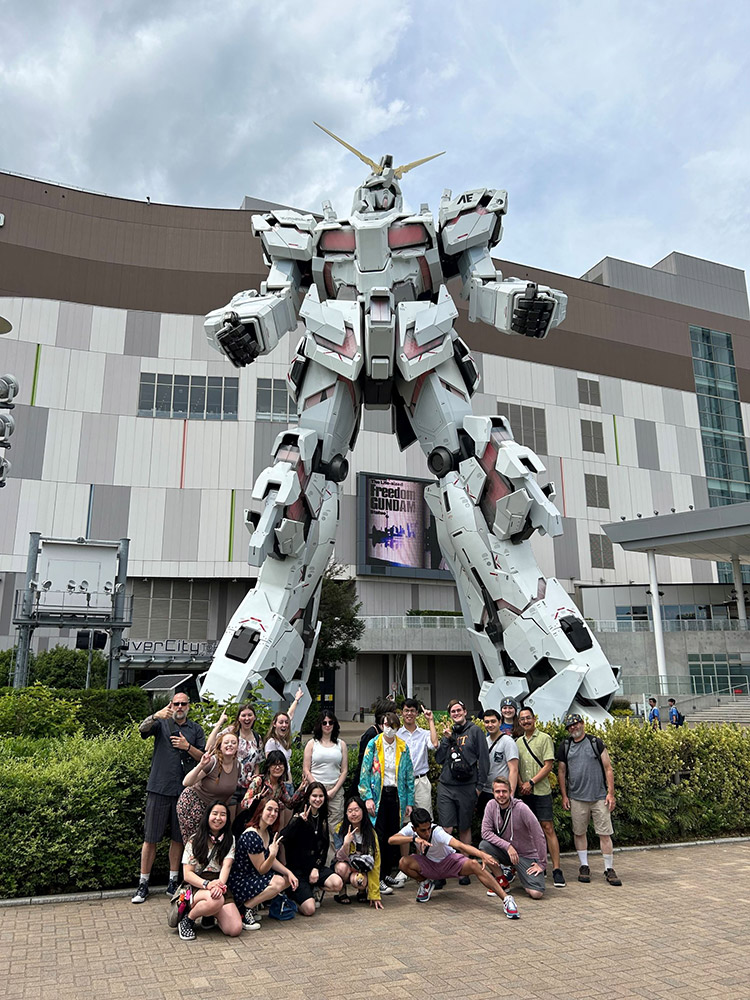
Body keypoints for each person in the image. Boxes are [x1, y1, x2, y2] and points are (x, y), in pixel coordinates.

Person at [132, 693, 206, 904]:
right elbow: (142, 729)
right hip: (159, 788)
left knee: (178, 838)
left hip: (184, 791)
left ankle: (173, 880)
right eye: (176, 703)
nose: (180, 707)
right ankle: (143, 883)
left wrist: (187, 747)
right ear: (171, 705)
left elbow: (204, 758)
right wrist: (155, 715)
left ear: (189, 706)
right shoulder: (161, 723)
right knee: (150, 838)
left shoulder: (196, 729)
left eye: (184, 703)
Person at [389, 807, 519, 918]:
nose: (427, 832)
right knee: (403, 862)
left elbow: (461, 846)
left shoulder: (438, 832)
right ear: (414, 828)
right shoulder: (410, 830)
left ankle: (507, 899)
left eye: (428, 828)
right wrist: (414, 839)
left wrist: (482, 854)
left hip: (449, 863)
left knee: (474, 865)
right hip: (429, 865)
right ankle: (425, 883)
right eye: (423, 830)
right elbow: (391, 840)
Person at [556, 713, 622, 886]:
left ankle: (609, 868)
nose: (573, 728)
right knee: (579, 832)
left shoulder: (595, 743)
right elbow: (561, 772)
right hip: (576, 797)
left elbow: (608, 768)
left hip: (599, 796)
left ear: (582, 724)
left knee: (605, 833)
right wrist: (564, 795)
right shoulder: (565, 746)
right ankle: (584, 865)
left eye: (576, 724)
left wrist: (611, 793)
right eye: (570, 726)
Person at [434, 699, 489, 885]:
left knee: (465, 828)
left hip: (467, 787)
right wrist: (446, 740)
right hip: (446, 786)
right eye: (452, 711)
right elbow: (439, 759)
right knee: (446, 829)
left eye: (459, 710)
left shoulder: (475, 731)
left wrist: (479, 787)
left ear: (465, 711)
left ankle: (464, 869)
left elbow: (484, 759)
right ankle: (441, 869)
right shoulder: (449, 733)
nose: (456, 714)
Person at [359, 710, 414, 892]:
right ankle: (378, 877)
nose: (389, 729)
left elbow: (408, 777)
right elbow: (365, 773)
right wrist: (367, 798)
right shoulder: (373, 745)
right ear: (382, 725)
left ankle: (387, 874)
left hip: (397, 796)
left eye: (393, 726)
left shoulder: (403, 747)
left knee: (393, 836)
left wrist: (409, 802)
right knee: (379, 837)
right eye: (386, 725)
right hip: (378, 796)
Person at [176, 800, 242, 941]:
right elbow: (187, 874)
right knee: (215, 901)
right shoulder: (194, 840)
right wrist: (207, 884)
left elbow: (226, 866)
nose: (218, 818)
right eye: (215, 814)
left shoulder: (230, 840)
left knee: (234, 929)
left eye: (223, 814)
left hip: (218, 882)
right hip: (197, 885)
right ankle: (188, 920)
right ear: (207, 816)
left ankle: (210, 914)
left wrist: (219, 885)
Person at [228, 797, 298, 930]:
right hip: (240, 881)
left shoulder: (267, 832)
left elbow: (270, 861)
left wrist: (289, 872)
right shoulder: (252, 835)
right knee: (278, 882)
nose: (273, 814)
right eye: (269, 809)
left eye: (276, 811)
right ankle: (246, 908)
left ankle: (251, 906)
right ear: (260, 811)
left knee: (288, 879)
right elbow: (262, 869)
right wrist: (272, 854)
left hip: (252, 877)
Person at [516, 706, 565, 888]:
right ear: (519, 722)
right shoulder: (518, 742)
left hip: (541, 791)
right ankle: (537, 864)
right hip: (525, 792)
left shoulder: (545, 738)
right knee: (529, 831)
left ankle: (557, 869)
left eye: (528, 718)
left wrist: (531, 783)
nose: (526, 721)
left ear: (534, 718)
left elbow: (548, 765)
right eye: (522, 719)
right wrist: (522, 784)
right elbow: (516, 766)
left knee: (548, 828)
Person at [479, 776, 547, 902]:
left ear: (510, 791)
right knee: (484, 846)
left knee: (536, 893)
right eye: (497, 792)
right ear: (493, 792)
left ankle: (517, 870)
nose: (501, 795)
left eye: (504, 791)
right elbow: (485, 832)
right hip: (507, 852)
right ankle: (502, 880)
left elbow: (539, 834)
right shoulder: (491, 805)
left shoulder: (521, 808)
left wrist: (542, 863)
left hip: (525, 854)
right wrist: (508, 846)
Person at [280, 782, 344, 915]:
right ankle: (292, 894)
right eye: (314, 796)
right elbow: (283, 837)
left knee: (337, 883)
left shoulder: (322, 816)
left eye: (321, 796)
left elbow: (324, 847)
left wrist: (316, 867)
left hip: (314, 867)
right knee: (309, 910)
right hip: (297, 870)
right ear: (308, 797)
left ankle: (313, 887)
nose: (318, 799)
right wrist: (298, 821)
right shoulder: (300, 814)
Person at [177, 732, 240, 843]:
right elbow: (186, 782)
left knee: (214, 842)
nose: (230, 745)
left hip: (213, 810)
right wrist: (201, 764)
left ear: (237, 747)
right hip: (194, 802)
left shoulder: (238, 765)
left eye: (233, 743)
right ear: (220, 746)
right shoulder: (213, 762)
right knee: (197, 843)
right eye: (226, 742)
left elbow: (228, 794)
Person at [302, 711, 348, 858]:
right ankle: (314, 860)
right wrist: (317, 789)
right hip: (315, 790)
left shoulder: (341, 744)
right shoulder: (312, 743)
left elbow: (344, 771)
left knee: (334, 828)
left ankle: (332, 861)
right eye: (324, 723)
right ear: (319, 725)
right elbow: (306, 769)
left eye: (330, 722)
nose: (327, 725)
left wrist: (334, 790)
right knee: (314, 826)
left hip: (335, 790)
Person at [333, 795, 383, 908]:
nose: (353, 814)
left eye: (356, 810)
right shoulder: (339, 829)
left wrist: (375, 895)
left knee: (360, 881)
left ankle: (362, 892)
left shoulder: (370, 833)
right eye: (350, 811)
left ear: (363, 811)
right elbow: (338, 857)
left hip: (361, 868)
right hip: (346, 865)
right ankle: (342, 892)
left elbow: (375, 862)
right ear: (346, 813)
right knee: (341, 867)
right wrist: (346, 843)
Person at [349, 697, 397, 796]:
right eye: (393, 713)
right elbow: (364, 765)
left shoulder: (392, 733)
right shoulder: (371, 734)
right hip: (372, 787)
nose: (396, 716)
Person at [397, 699, 439, 813]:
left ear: (417, 713)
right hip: (403, 782)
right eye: (406, 711)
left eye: (412, 711)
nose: (409, 714)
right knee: (404, 819)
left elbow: (434, 744)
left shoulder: (424, 734)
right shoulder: (397, 735)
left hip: (420, 782)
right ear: (402, 713)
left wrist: (430, 720)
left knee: (424, 818)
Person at [478, 708, 519, 817]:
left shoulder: (508, 742)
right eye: (487, 722)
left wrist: (511, 794)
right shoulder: (484, 742)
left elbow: (513, 769)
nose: (490, 725)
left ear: (500, 722)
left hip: (502, 793)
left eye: (493, 721)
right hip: (485, 791)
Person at [264, 687, 304, 769]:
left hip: (287, 775)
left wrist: (296, 700)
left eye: (286, 722)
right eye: (281, 722)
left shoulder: (283, 741)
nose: (284, 725)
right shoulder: (272, 742)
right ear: (274, 724)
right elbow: (271, 766)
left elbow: (290, 714)